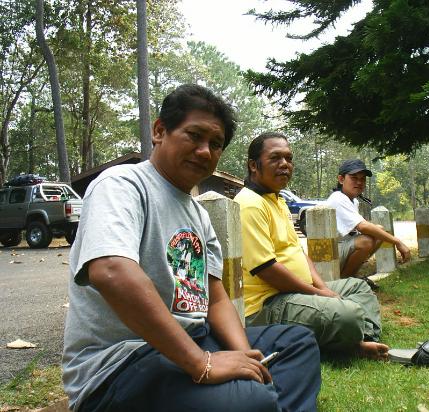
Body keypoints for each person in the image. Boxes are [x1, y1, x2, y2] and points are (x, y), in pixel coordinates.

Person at [62, 85, 321, 412]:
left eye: (215, 144)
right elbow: (111, 271)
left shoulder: (198, 214)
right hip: (123, 363)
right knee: (251, 400)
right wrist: (202, 364)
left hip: (196, 340)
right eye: (194, 136)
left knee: (298, 343)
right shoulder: (122, 185)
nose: (204, 151)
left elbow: (215, 298)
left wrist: (245, 356)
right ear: (160, 131)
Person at [234, 132, 389, 361]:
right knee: (348, 315)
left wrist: (323, 288)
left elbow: (298, 252)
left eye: (288, 158)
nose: (285, 164)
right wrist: (320, 294)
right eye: (275, 158)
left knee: (359, 288)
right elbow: (267, 270)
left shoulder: (277, 200)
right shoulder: (250, 204)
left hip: (298, 291)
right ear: (253, 165)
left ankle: (360, 339)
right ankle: (353, 342)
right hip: (268, 303)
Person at [326, 159, 411, 278]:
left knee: (378, 230)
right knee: (365, 241)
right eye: (354, 178)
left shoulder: (353, 201)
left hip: (340, 249)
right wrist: (397, 242)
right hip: (327, 256)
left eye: (362, 179)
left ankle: (351, 277)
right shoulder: (338, 198)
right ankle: (345, 280)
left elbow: (365, 227)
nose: (359, 182)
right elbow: (363, 227)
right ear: (341, 179)